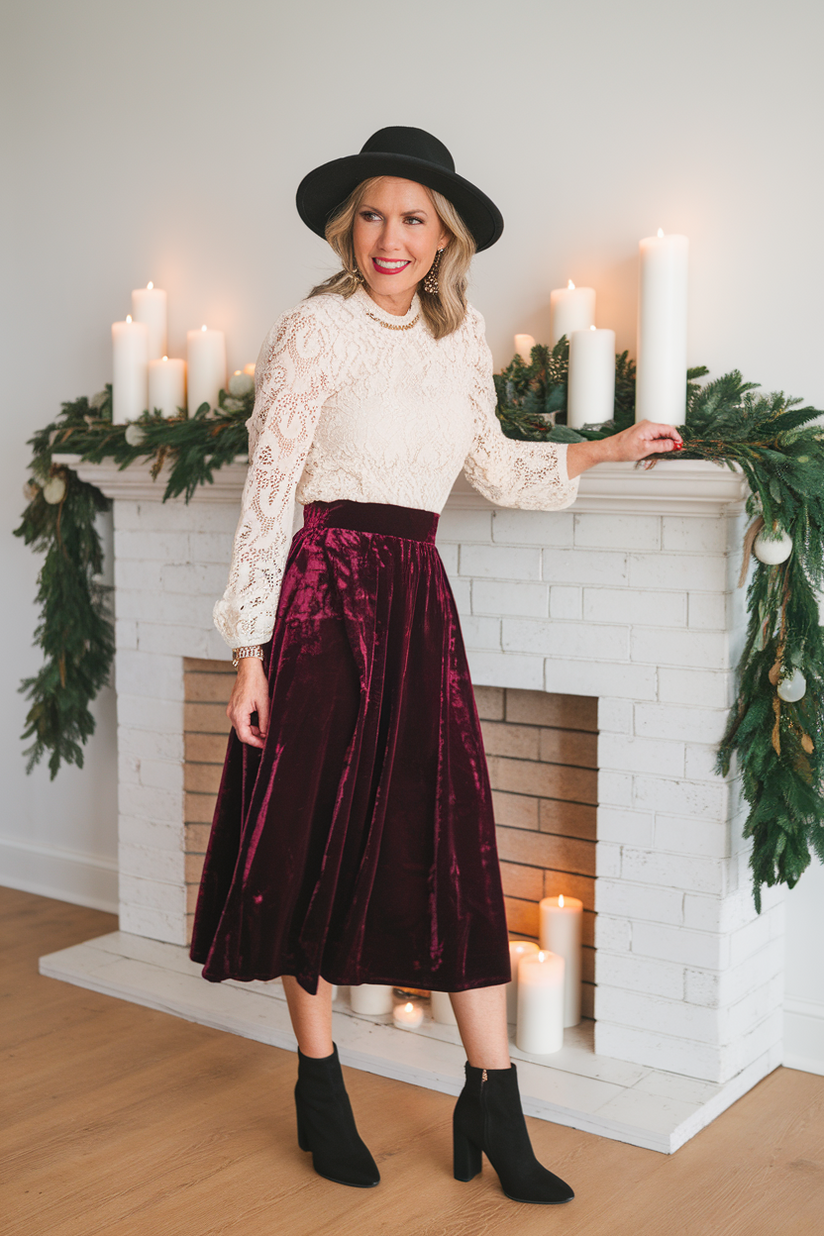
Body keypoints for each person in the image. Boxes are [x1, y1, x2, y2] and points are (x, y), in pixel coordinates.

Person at [190, 126, 683, 1204]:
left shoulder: (458, 343)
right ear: (345, 225)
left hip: (417, 600)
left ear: (443, 236)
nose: (389, 237)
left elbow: (492, 467)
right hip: (322, 600)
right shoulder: (312, 331)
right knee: (312, 839)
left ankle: (491, 1098)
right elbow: (267, 493)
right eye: (372, 214)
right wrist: (249, 652)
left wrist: (598, 451)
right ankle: (320, 1086)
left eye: (413, 218)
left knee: (453, 842)